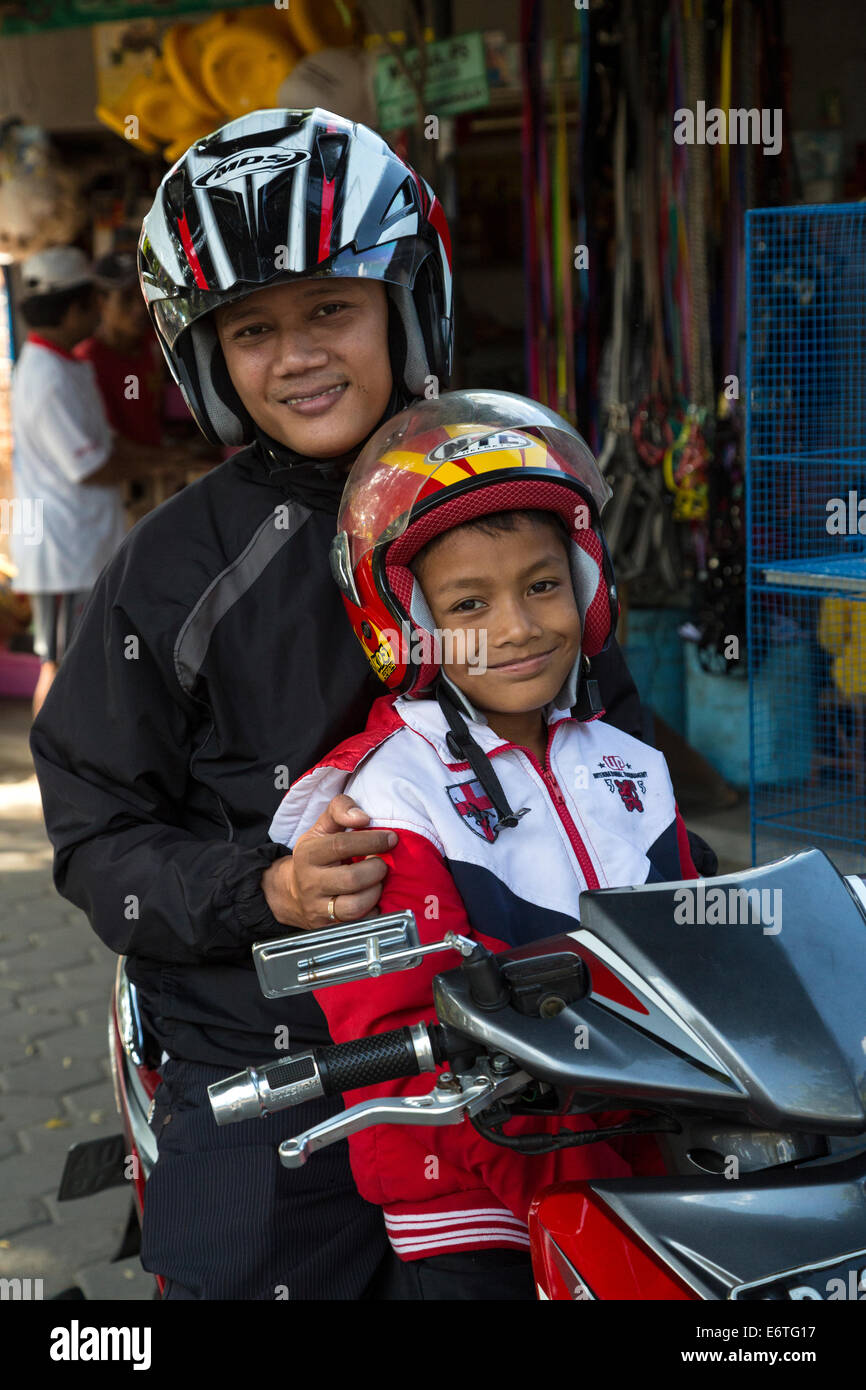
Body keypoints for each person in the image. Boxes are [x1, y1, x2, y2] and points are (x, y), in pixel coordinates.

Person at [29, 109, 705, 1301]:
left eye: (330, 309)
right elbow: (93, 836)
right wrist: (266, 889)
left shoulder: (511, 481)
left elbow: (617, 739)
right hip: (274, 1053)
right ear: (205, 356)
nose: (297, 355)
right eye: (252, 329)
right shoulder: (175, 566)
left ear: (405, 300)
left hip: (547, 1029)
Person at [269, 391, 700, 1301]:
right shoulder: (383, 794)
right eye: (470, 602)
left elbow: (700, 949)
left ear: (584, 586)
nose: (516, 627)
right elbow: (397, 1029)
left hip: (637, 1165)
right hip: (474, 1196)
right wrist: (588, 1180)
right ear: (412, 624)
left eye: (543, 585)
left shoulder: (632, 764)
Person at [10, 247, 184, 715]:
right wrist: (166, 465)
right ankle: (52, 758)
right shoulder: (48, 375)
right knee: (60, 663)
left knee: (74, 658)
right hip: (63, 550)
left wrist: (167, 457)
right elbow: (93, 466)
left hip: (81, 541)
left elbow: (108, 446)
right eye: (96, 303)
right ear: (75, 309)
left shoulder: (67, 364)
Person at [73, 251, 165, 448]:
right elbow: (106, 441)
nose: (140, 308)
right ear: (101, 302)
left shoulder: (153, 344)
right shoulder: (88, 362)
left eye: (142, 295)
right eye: (126, 298)